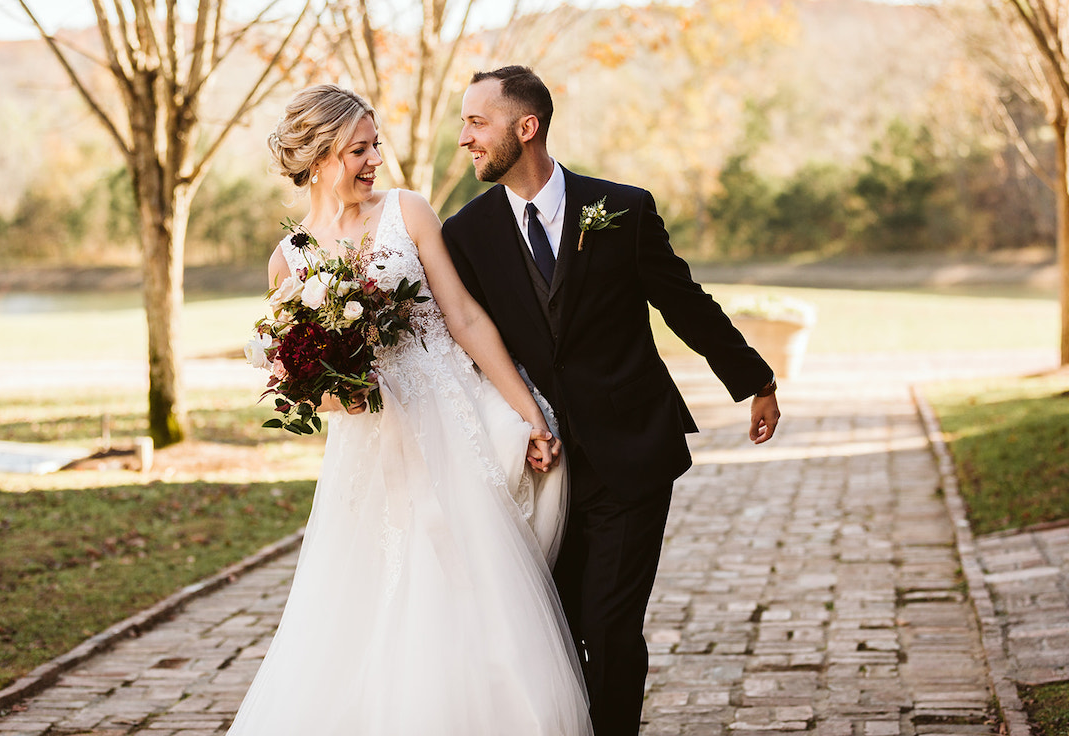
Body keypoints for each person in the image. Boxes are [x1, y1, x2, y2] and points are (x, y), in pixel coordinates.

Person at [226, 84, 592, 735]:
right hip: (370, 442)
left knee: (475, 579)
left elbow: (467, 318)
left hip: (452, 418)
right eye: (358, 150)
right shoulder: (292, 259)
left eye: (375, 146)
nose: (374, 163)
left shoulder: (408, 210)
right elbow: (308, 378)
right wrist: (337, 388)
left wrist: (529, 411)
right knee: (377, 594)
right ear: (318, 157)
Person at [442, 65, 782, 736]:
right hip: (541, 465)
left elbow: (684, 302)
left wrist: (754, 380)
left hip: (633, 450)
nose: (464, 140)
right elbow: (466, 346)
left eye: (477, 122)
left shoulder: (621, 210)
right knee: (558, 626)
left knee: (611, 627)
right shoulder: (466, 233)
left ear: (526, 127)